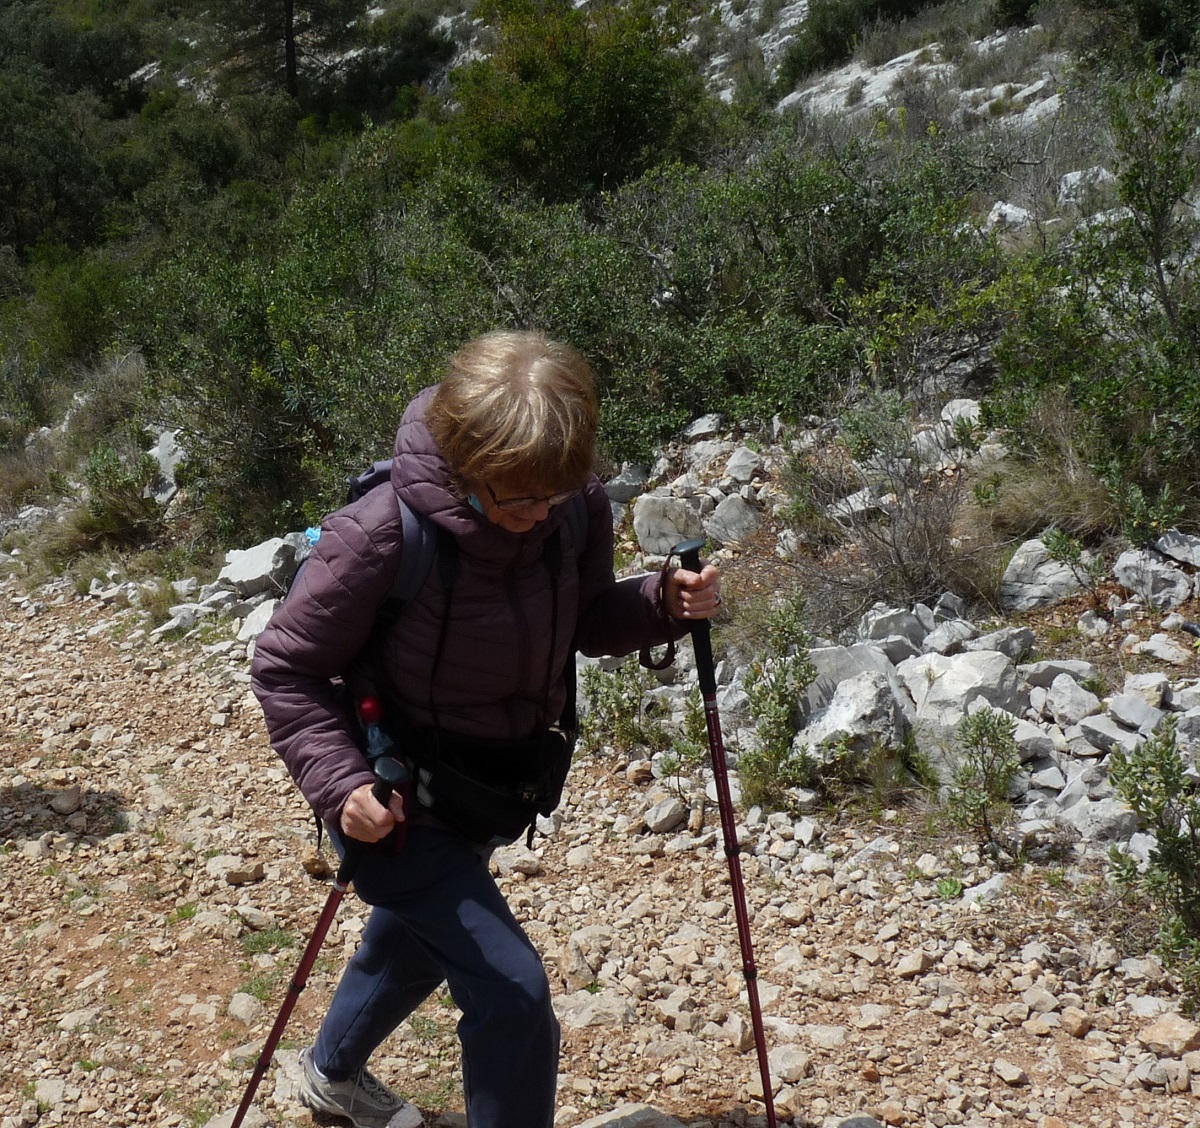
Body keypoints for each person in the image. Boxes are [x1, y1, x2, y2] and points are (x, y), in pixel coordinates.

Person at [251, 330, 721, 1128]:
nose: (539, 514)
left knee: (422, 928)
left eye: (557, 494)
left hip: (493, 784)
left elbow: (585, 616)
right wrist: (342, 788)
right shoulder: (379, 535)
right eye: (520, 499)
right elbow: (285, 670)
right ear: (468, 465)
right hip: (394, 799)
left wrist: (659, 604)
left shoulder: (568, 507)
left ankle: (330, 1075)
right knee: (512, 992)